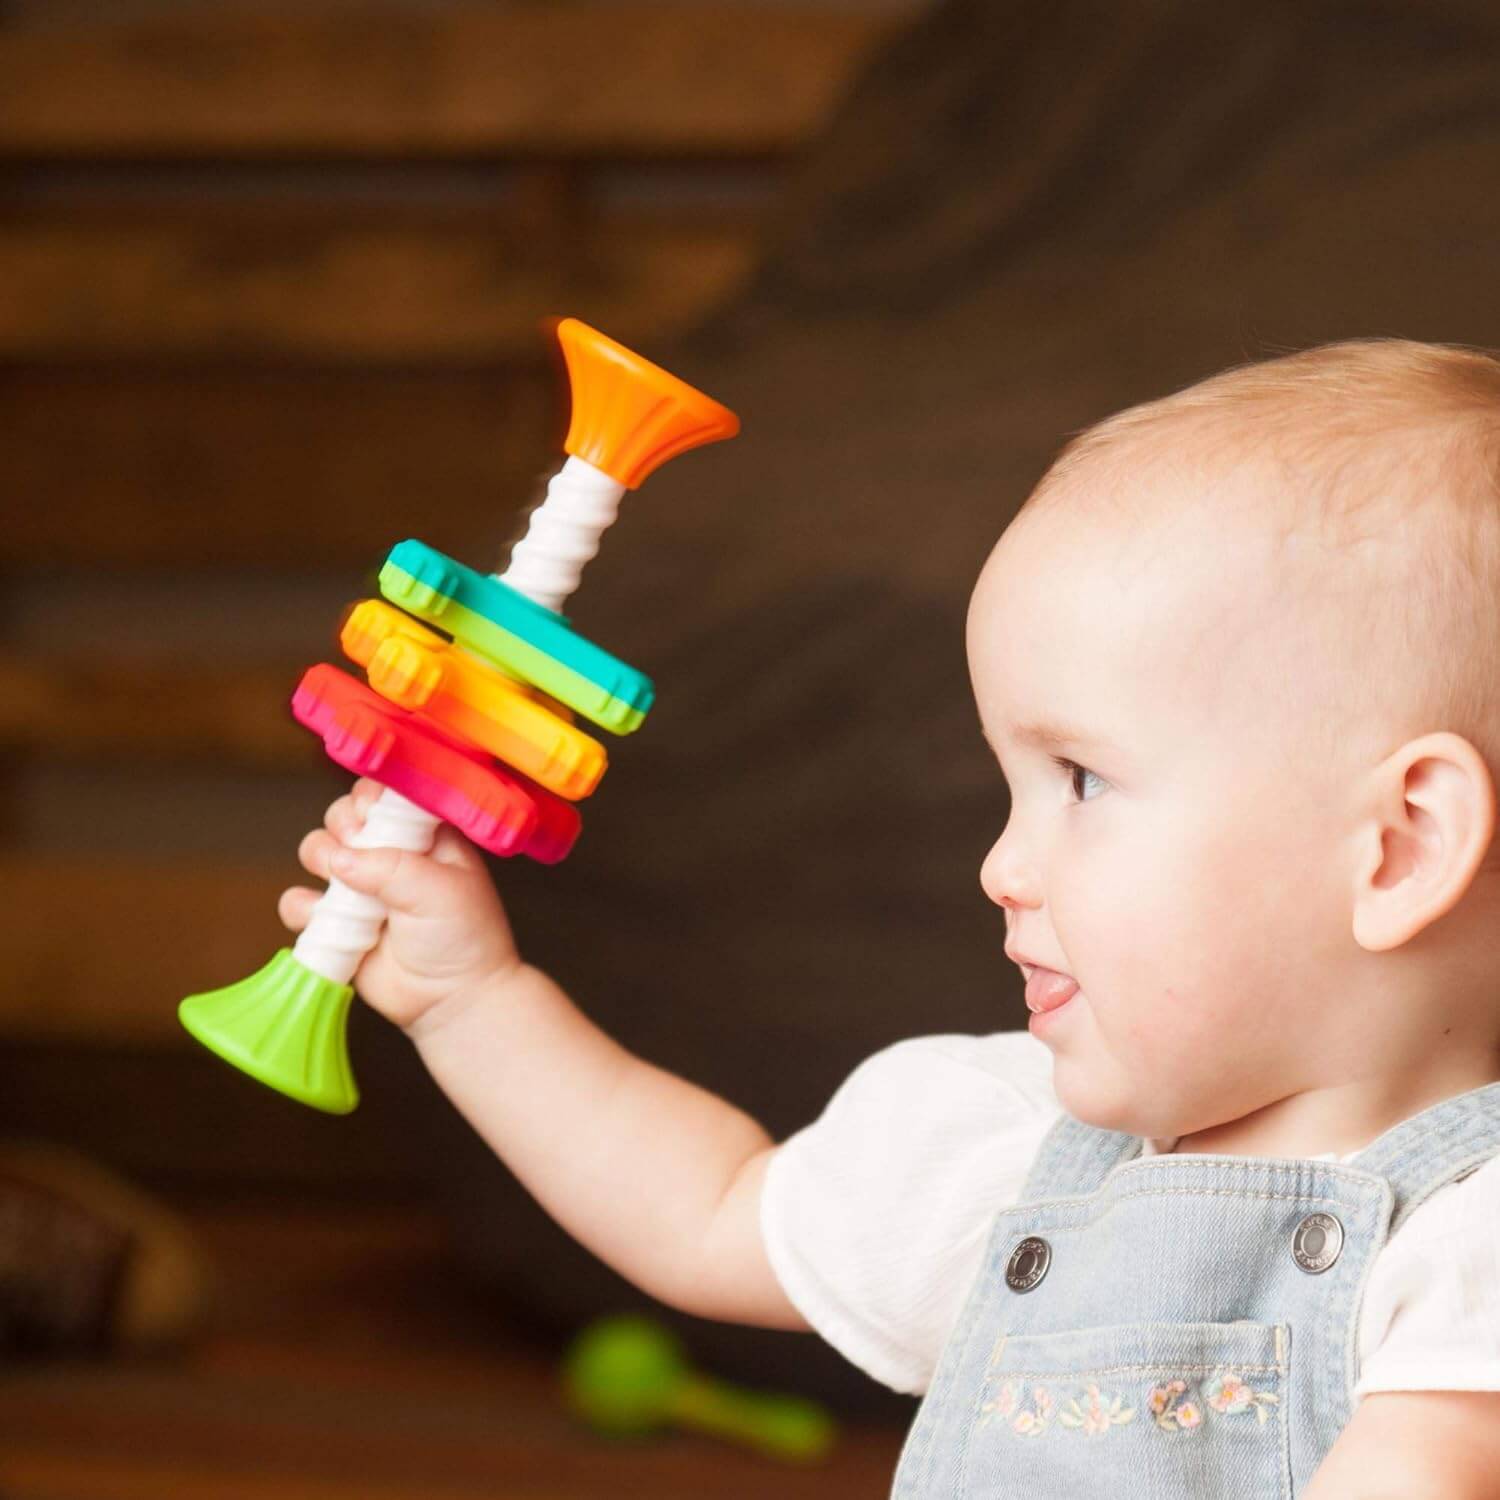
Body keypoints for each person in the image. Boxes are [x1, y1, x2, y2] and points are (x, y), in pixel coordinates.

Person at [278, 337, 1500, 1496]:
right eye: (1010, 788)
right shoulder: (1014, 1160)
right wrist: (473, 1001)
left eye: (1081, 780)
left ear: (1398, 846)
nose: (1000, 866)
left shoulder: (1467, 1256)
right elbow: (711, 1212)